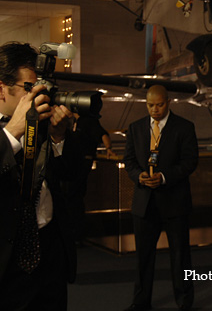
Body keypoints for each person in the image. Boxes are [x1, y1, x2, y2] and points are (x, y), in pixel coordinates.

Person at [0, 41, 80, 310]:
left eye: (39, 86)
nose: (37, 95)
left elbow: (70, 175)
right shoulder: (15, 126)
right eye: (28, 88)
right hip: (7, 258)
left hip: (50, 248)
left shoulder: (42, 121)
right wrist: (12, 132)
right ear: (1, 89)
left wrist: (58, 138)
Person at [123, 85, 198, 311]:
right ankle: (140, 302)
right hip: (144, 203)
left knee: (180, 256)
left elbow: (190, 162)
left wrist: (164, 177)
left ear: (168, 102)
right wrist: (139, 176)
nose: (154, 109)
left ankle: (184, 302)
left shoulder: (184, 127)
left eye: (159, 105)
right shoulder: (135, 128)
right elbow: (129, 161)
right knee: (143, 258)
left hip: (175, 202)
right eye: (150, 105)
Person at [63, 114, 113, 244]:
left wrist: (108, 149)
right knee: (73, 197)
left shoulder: (88, 121)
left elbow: (103, 134)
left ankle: (77, 233)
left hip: (81, 164)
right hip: (75, 164)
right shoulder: (76, 122)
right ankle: (74, 232)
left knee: (74, 197)